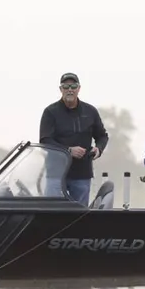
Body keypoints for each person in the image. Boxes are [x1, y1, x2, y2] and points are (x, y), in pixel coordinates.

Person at [39, 72, 109, 206]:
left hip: (82, 173)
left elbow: (102, 136)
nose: (70, 90)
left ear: (79, 88)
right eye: (66, 86)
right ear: (61, 89)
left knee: (79, 213)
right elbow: (45, 140)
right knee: (52, 211)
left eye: (73, 86)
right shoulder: (50, 112)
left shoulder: (90, 111)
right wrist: (68, 150)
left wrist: (98, 149)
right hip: (56, 173)